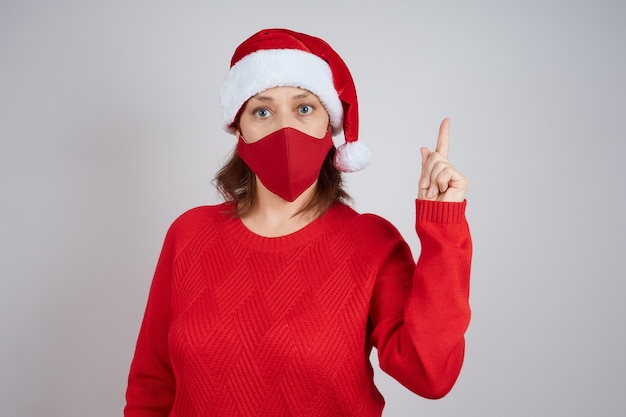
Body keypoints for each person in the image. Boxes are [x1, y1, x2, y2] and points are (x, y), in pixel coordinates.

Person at [124, 28, 472, 417]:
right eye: (262, 111)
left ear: (330, 126)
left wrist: (444, 228)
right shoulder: (189, 234)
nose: (284, 129)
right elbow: (151, 385)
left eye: (304, 108)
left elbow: (430, 374)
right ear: (239, 127)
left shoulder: (372, 242)